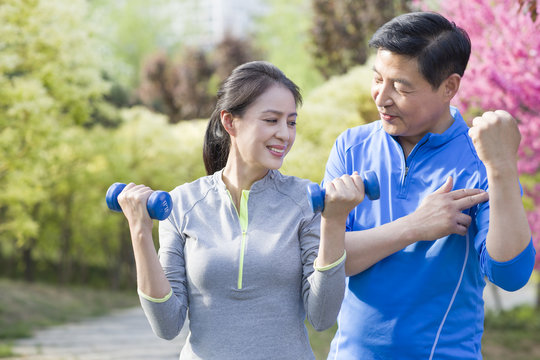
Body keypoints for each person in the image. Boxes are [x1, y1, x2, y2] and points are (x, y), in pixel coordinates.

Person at [116, 61, 366, 360]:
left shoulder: (305, 200)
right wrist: (140, 230)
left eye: (291, 122)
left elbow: (322, 317)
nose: (285, 135)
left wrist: (335, 222)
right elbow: (166, 325)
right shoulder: (182, 204)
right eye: (272, 120)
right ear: (230, 122)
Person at [324, 12, 536, 360]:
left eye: (402, 86)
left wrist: (501, 170)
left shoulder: (479, 160)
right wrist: (414, 227)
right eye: (378, 79)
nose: (382, 97)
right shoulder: (351, 147)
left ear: (449, 87)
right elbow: (331, 261)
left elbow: (510, 274)